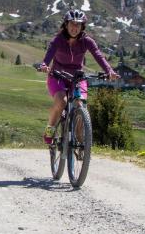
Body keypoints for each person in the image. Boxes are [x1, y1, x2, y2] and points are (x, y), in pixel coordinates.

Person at [39, 10, 118, 144]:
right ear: (66, 25)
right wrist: (45, 65)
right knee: (62, 101)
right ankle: (50, 129)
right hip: (57, 76)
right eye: (72, 24)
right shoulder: (58, 40)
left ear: (82, 27)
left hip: (77, 77)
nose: (75, 28)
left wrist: (109, 70)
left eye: (78, 25)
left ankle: (81, 142)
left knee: (80, 104)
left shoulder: (87, 41)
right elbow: (48, 55)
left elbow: (99, 56)